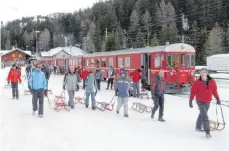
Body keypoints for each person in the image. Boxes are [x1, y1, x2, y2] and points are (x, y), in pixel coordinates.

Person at [189, 68, 220, 138]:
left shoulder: (212, 81)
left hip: (208, 101)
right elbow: (193, 92)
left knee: (202, 114)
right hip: (200, 101)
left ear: (207, 73)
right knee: (205, 116)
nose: (203, 73)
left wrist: (217, 98)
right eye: (202, 72)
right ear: (200, 74)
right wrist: (190, 100)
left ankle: (198, 126)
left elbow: (214, 90)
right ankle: (207, 132)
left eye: (205, 72)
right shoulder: (197, 82)